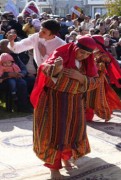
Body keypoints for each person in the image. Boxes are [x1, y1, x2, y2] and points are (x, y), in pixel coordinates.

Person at [30, 36, 101, 179]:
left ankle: (66, 157)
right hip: (53, 102)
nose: (84, 56)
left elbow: (96, 81)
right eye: (81, 52)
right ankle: (54, 168)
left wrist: (81, 78)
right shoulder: (60, 55)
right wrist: (57, 69)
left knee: (71, 132)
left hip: (74, 103)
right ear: (75, 47)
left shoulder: (87, 63)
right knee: (53, 134)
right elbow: (44, 68)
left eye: (87, 54)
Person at [85, 35, 121, 122]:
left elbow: (102, 68)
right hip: (87, 79)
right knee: (86, 98)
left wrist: (95, 64)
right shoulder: (89, 52)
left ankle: (105, 114)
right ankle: (88, 115)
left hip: (98, 80)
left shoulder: (104, 55)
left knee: (99, 97)